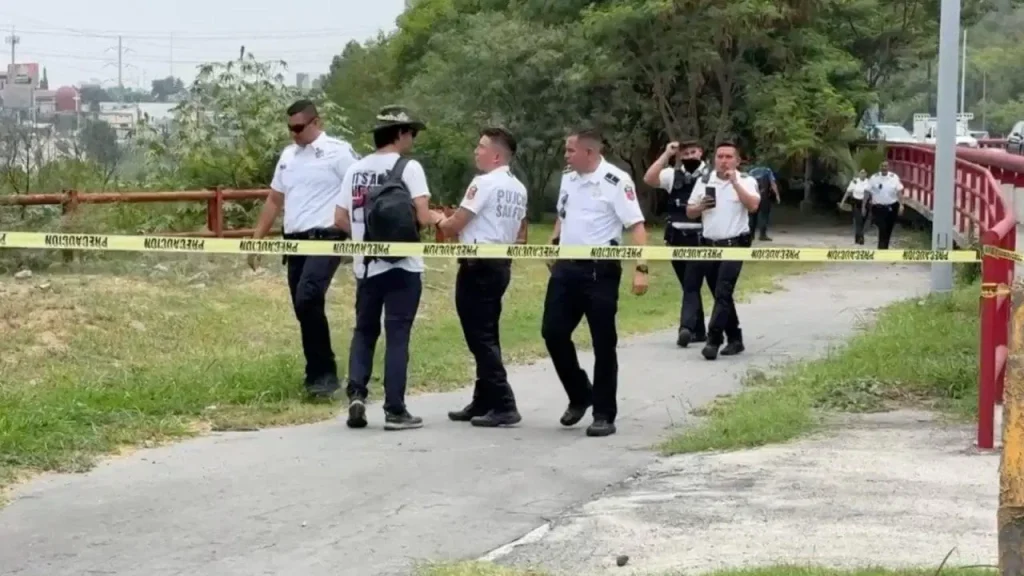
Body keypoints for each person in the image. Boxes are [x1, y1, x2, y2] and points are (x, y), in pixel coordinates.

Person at [334, 105, 443, 431]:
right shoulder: (409, 168)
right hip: (403, 267)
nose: (413, 139)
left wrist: (363, 237)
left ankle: (356, 394)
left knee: (364, 331)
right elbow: (423, 216)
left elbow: (339, 218)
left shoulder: (355, 170)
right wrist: (439, 219)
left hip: (365, 266)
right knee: (397, 335)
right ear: (400, 134)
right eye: (412, 132)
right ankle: (395, 410)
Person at [248, 99, 359, 400]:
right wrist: (257, 239)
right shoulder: (288, 156)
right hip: (294, 241)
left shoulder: (338, 152)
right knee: (303, 307)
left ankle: (325, 375)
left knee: (308, 297)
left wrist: (359, 230)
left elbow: (360, 189)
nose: (294, 134)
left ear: (316, 123)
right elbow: (274, 199)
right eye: (290, 128)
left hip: (326, 237)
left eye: (299, 128)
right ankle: (315, 373)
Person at [542, 127, 649, 438]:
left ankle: (604, 413)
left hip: (599, 272)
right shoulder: (569, 179)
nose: (566, 155)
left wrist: (641, 269)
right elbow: (563, 215)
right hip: (566, 269)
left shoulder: (615, 181)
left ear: (589, 152)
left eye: (570, 150)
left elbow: (637, 226)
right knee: (552, 332)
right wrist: (553, 243)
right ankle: (580, 393)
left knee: (603, 343)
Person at [435, 127, 529, 428]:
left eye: (482, 146)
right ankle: (484, 398)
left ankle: (504, 403)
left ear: (497, 155)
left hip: (477, 265)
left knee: (479, 336)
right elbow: (520, 231)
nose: (476, 151)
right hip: (500, 264)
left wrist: (438, 219)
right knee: (488, 332)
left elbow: (456, 224)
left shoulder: (483, 183)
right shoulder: (518, 188)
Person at [684, 141, 760, 361]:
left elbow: (753, 206)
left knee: (723, 291)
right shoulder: (704, 181)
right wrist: (700, 207)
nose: (724, 161)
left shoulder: (747, 181)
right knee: (720, 294)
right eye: (720, 156)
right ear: (713, 159)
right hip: (709, 246)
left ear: (737, 160)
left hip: (735, 245)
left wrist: (735, 183)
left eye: (729, 157)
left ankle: (713, 339)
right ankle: (735, 338)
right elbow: (689, 212)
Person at [642, 139, 709, 347]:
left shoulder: (711, 176)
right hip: (676, 238)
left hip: (701, 239)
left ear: (701, 152)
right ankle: (699, 331)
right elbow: (649, 178)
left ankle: (686, 328)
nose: (689, 157)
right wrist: (667, 154)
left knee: (691, 283)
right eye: (685, 154)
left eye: (693, 152)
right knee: (688, 285)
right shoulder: (673, 175)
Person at [865, 161, 905, 250]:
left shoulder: (894, 177)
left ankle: (885, 248)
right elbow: (867, 192)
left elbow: (899, 192)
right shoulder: (874, 178)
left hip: (892, 207)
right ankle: (881, 248)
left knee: (888, 229)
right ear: (880, 167)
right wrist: (864, 205)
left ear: (889, 167)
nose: (884, 168)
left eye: (886, 166)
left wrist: (902, 205)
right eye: (882, 166)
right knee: (882, 228)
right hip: (878, 208)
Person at [747, 164, 780, 242]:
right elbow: (773, 184)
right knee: (764, 216)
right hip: (764, 196)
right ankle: (762, 235)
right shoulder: (767, 171)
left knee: (752, 216)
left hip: (753, 196)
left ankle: (751, 235)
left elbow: (747, 184)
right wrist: (777, 195)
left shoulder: (751, 171)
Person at [840, 169, 870, 245]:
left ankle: (857, 237)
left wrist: (863, 207)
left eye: (864, 173)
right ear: (859, 174)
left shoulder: (868, 182)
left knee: (863, 221)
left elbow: (867, 195)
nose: (863, 174)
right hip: (856, 203)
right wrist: (842, 202)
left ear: (866, 174)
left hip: (865, 203)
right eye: (861, 172)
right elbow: (848, 192)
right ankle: (861, 238)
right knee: (858, 220)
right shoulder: (854, 181)